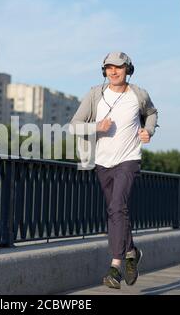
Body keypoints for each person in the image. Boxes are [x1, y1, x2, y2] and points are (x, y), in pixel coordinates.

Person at [70, 52, 158, 289]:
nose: (113, 71)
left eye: (118, 67)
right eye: (109, 67)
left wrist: (148, 131)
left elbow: (151, 114)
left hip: (129, 160)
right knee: (115, 211)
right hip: (102, 162)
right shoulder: (95, 95)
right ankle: (132, 251)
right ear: (104, 70)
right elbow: (74, 126)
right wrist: (96, 126)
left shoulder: (138, 95)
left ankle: (115, 266)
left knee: (117, 207)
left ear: (128, 69)